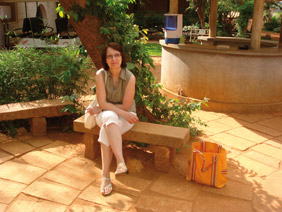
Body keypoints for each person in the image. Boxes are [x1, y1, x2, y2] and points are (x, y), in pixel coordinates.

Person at [86, 42, 139, 196]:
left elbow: (126, 105)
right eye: (110, 56)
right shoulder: (100, 75)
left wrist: (109, 108)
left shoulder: (130, 77)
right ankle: (120, 161)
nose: (114, 59)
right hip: (106, 114)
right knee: (109, 117)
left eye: (117, 55)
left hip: (125, 117)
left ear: (122, 57)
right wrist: (105, 108)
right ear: (105, 60)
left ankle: (105, 176)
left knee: (106, 128)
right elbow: (102, 102)